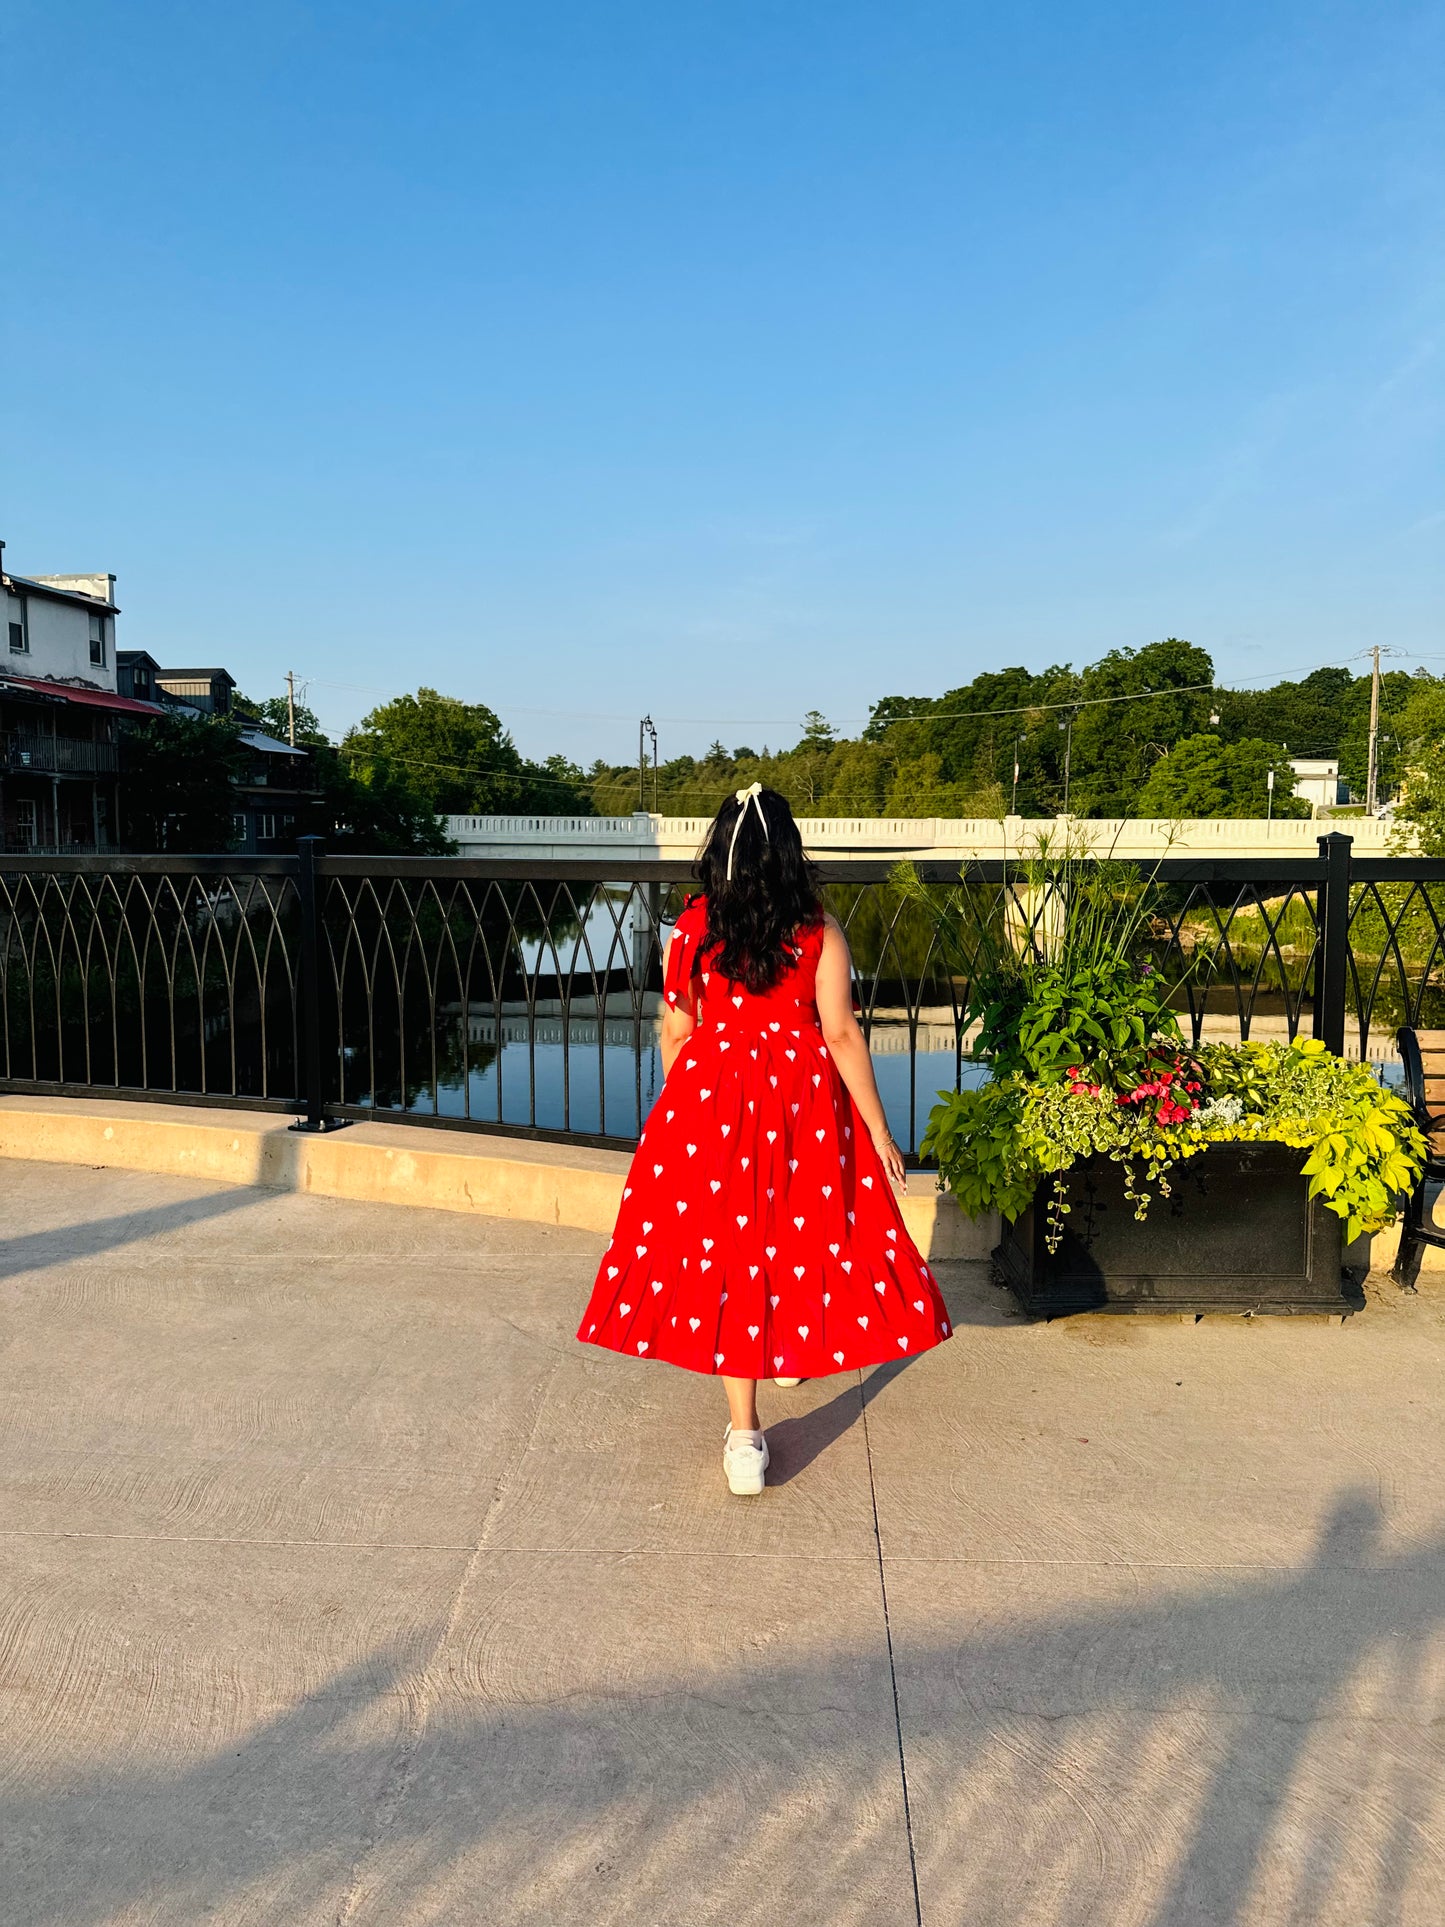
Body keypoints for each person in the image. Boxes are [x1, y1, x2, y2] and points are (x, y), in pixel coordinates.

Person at [576, 783, 951, 1494]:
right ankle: (786, 1349)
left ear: (719, 851)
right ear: (788, 852)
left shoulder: (689, 929)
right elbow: (839, 1032)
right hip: (801, 1105)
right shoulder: (818, 931)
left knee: (730, 1245)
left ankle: (744, 1434)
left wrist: (679, 1108)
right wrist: (877, 1128)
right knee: (798, 1229)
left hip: (710, 1099)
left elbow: (677, 1030)